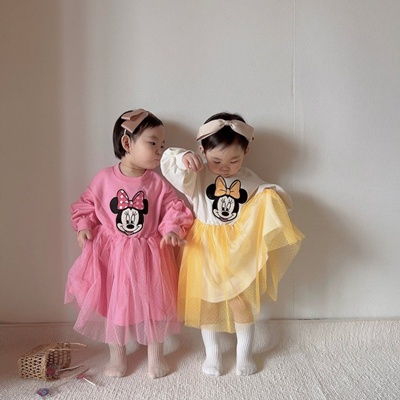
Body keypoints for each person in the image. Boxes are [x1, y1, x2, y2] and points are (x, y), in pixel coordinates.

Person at [161, 112, 303, 376]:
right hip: (204, 250)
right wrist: (183, 157)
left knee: (242, 303)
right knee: (207, 304)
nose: (225, 167)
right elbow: (167, 163)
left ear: (246, 151)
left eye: (234, 160)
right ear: (202, 151)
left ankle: (244, 354)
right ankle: (212, 355)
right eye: (216, 160)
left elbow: (267, 196)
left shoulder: (249, 179)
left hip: (238, 250)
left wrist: (272, 197)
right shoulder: (197, 176)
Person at [65, 109, 193, 379]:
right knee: (116, 307)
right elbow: (86, 204)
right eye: (153, 143)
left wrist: (171, 229)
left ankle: (156, 357)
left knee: (156, 307)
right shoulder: (104, 179)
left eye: (162, 145)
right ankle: (117, 357)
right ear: (127, 143)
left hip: (150, 257)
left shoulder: (156, 182)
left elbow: (174, 207)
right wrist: (84, 226)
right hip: (114, 256)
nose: (159, 151)